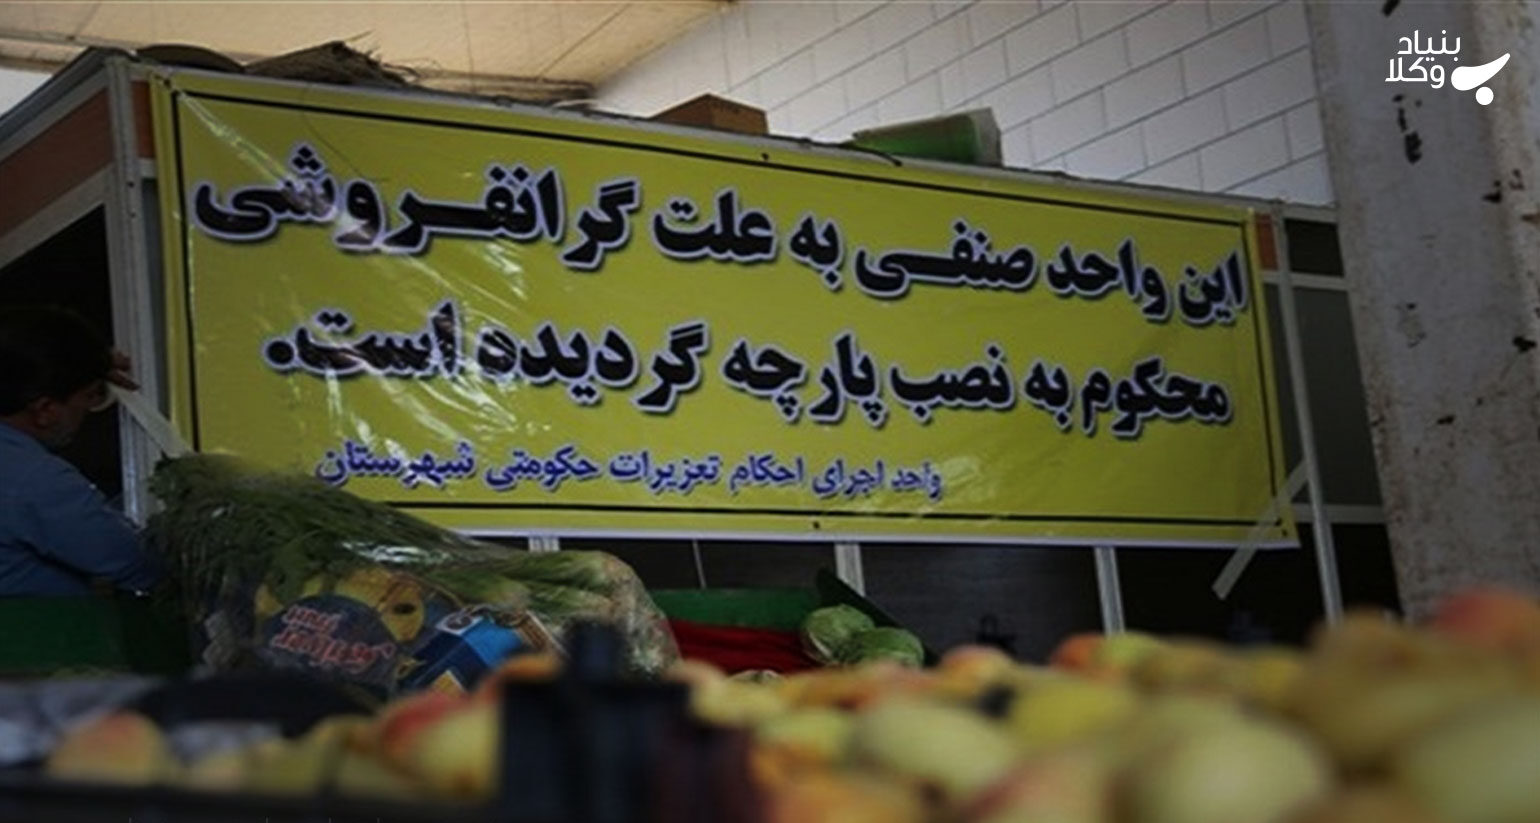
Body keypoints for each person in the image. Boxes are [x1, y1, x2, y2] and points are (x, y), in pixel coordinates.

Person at [0, 305, 162, 596]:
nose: (89, 409)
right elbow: (139, 564)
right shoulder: (36, 481)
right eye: (89, 396)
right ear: (45, 410)